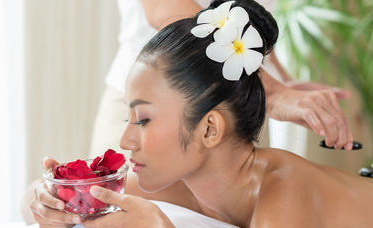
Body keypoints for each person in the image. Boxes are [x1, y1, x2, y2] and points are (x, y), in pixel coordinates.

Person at [21, 1, 373, 228]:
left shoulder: (286, 193)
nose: (126, 140)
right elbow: (35, 204)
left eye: (142, 120)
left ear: (209, 128)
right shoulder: (185, 180)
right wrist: (45, 200)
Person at [89, 0, 353, 163]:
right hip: (157, 100)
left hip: (244, 102)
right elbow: (166, 9)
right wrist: (272, 92)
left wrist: (282, 81)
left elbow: (246, 21)